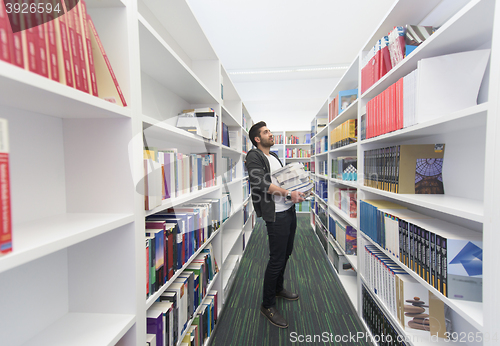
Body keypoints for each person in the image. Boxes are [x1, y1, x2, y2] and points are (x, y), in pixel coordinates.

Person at [245, 121, 306, 328]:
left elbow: (283, 181)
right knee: (276, 259)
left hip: (288, 210)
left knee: (287, 253)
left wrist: (299, 188)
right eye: (266, 132)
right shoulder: (254, 156)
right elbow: (260, 182)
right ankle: (267, 304)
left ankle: (278, 288)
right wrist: (289, 193)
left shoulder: (275, 157)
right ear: (257, 139)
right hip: (276, 215)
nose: (270, 134)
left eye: (269, 131)